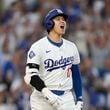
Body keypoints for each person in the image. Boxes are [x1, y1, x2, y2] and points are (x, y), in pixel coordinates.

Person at [24, 8, 83, 110]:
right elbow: (31, 76)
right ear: (49, 23)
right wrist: (46, 92)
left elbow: (76, 75)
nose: (62, 21)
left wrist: (79, 98)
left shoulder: (72, 47)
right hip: (42, 98)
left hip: (66, 98)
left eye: (64, 20)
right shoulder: (38, 47)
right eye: (58, 19)